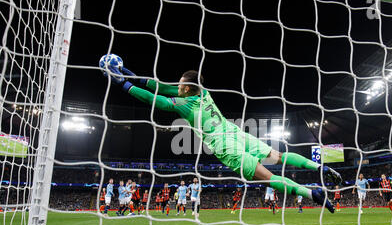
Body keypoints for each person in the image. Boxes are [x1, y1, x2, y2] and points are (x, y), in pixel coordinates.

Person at [102, 60, 342, 212]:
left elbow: (155, 97)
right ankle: (320, 167)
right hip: (235, 131)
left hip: (224, 143)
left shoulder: (183, 105)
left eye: (180, 85)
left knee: (267, 177)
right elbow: (158, 85)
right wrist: (125, 71)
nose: (176, 86)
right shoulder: (202, 91)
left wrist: (122, 84)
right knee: (277, 156)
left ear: (186, 89)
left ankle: (311, 193)